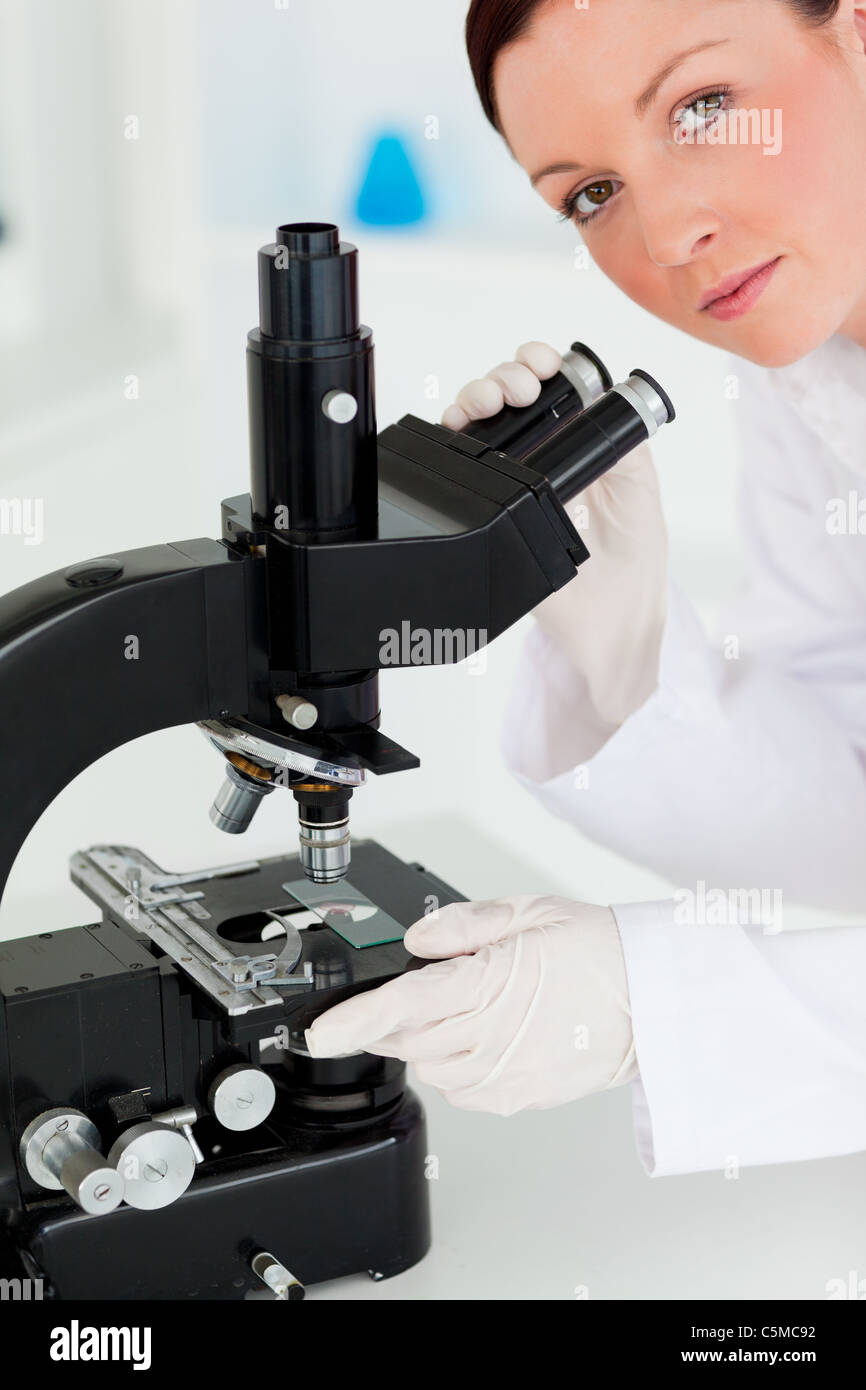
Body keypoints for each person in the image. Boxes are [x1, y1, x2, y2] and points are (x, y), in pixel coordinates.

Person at [306, 0, 866, 1177]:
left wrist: (649, 1005)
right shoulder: (812, 357)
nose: (663, 235)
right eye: (590, 194)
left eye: (701, 107)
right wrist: (621, 638)